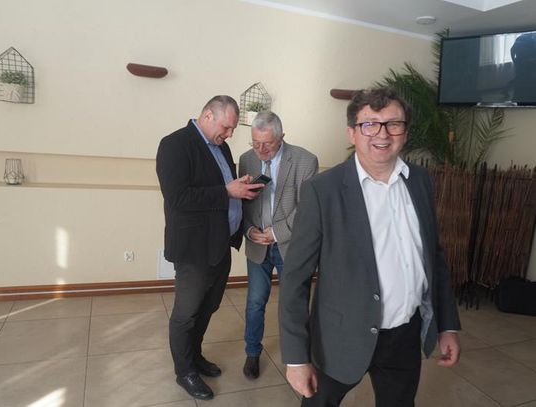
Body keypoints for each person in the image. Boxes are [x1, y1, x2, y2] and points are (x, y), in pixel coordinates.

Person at [279, 87, 461, 407]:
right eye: (370, 124)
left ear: (405, 132)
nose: (382, 134)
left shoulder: (420, 181)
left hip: (405, 335)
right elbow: (295, 278)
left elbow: (434, 257)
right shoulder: (322, 190)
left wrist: (446, 325)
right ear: (352, 133)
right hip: (340, 339)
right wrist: (296, 358)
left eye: (394, 124)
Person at [156, 95, 262, 400]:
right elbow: (178, 198)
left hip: (220, 243)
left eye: (232, 129)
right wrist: (226, 191)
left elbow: (221, 189)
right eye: (226, 127)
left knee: (209, 307)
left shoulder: (221, 147)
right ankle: (184, 372)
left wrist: (239, 187)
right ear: (207, 116)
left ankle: (195, 357)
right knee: (186, 313)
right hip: (194, 249)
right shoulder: (175, 144)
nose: (230, 134)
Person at [238, 111, 318, 379]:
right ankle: (252, 352)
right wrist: (249, 230)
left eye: (267, 144)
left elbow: (307, 208)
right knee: (254, 303)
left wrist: (276, 232)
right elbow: (243, 203)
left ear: (281, 137)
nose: (260, 150)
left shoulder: (305, 161)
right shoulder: (246, 160)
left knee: (293, 303)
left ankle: (297, 358)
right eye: (255, 143)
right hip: (257, 245)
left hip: (290, 246)